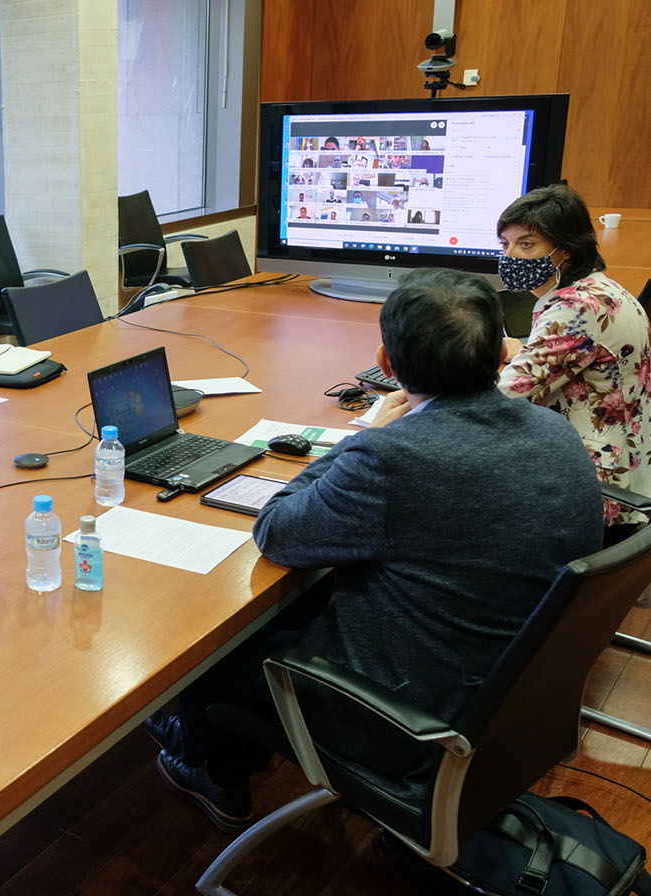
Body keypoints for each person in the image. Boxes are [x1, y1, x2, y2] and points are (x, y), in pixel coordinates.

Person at [146, 269, 603, 833]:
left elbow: (278, 532)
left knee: (212, 642)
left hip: (410, 722)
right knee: (303, 602)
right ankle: (214, 744)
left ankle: (209, 767)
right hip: (509, 699)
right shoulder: (555, 431)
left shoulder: (391, 458)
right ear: (502, 352)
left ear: (386, 364)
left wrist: (366, 436)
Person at [495, 184, 651, 535]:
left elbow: (499, 401)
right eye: (505, 244)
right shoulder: (603, 290)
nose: (512, 256)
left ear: (564, 250)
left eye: (527, 244)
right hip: (632, 468)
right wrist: (520, 348)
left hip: (600, 495)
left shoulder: (573, 310)